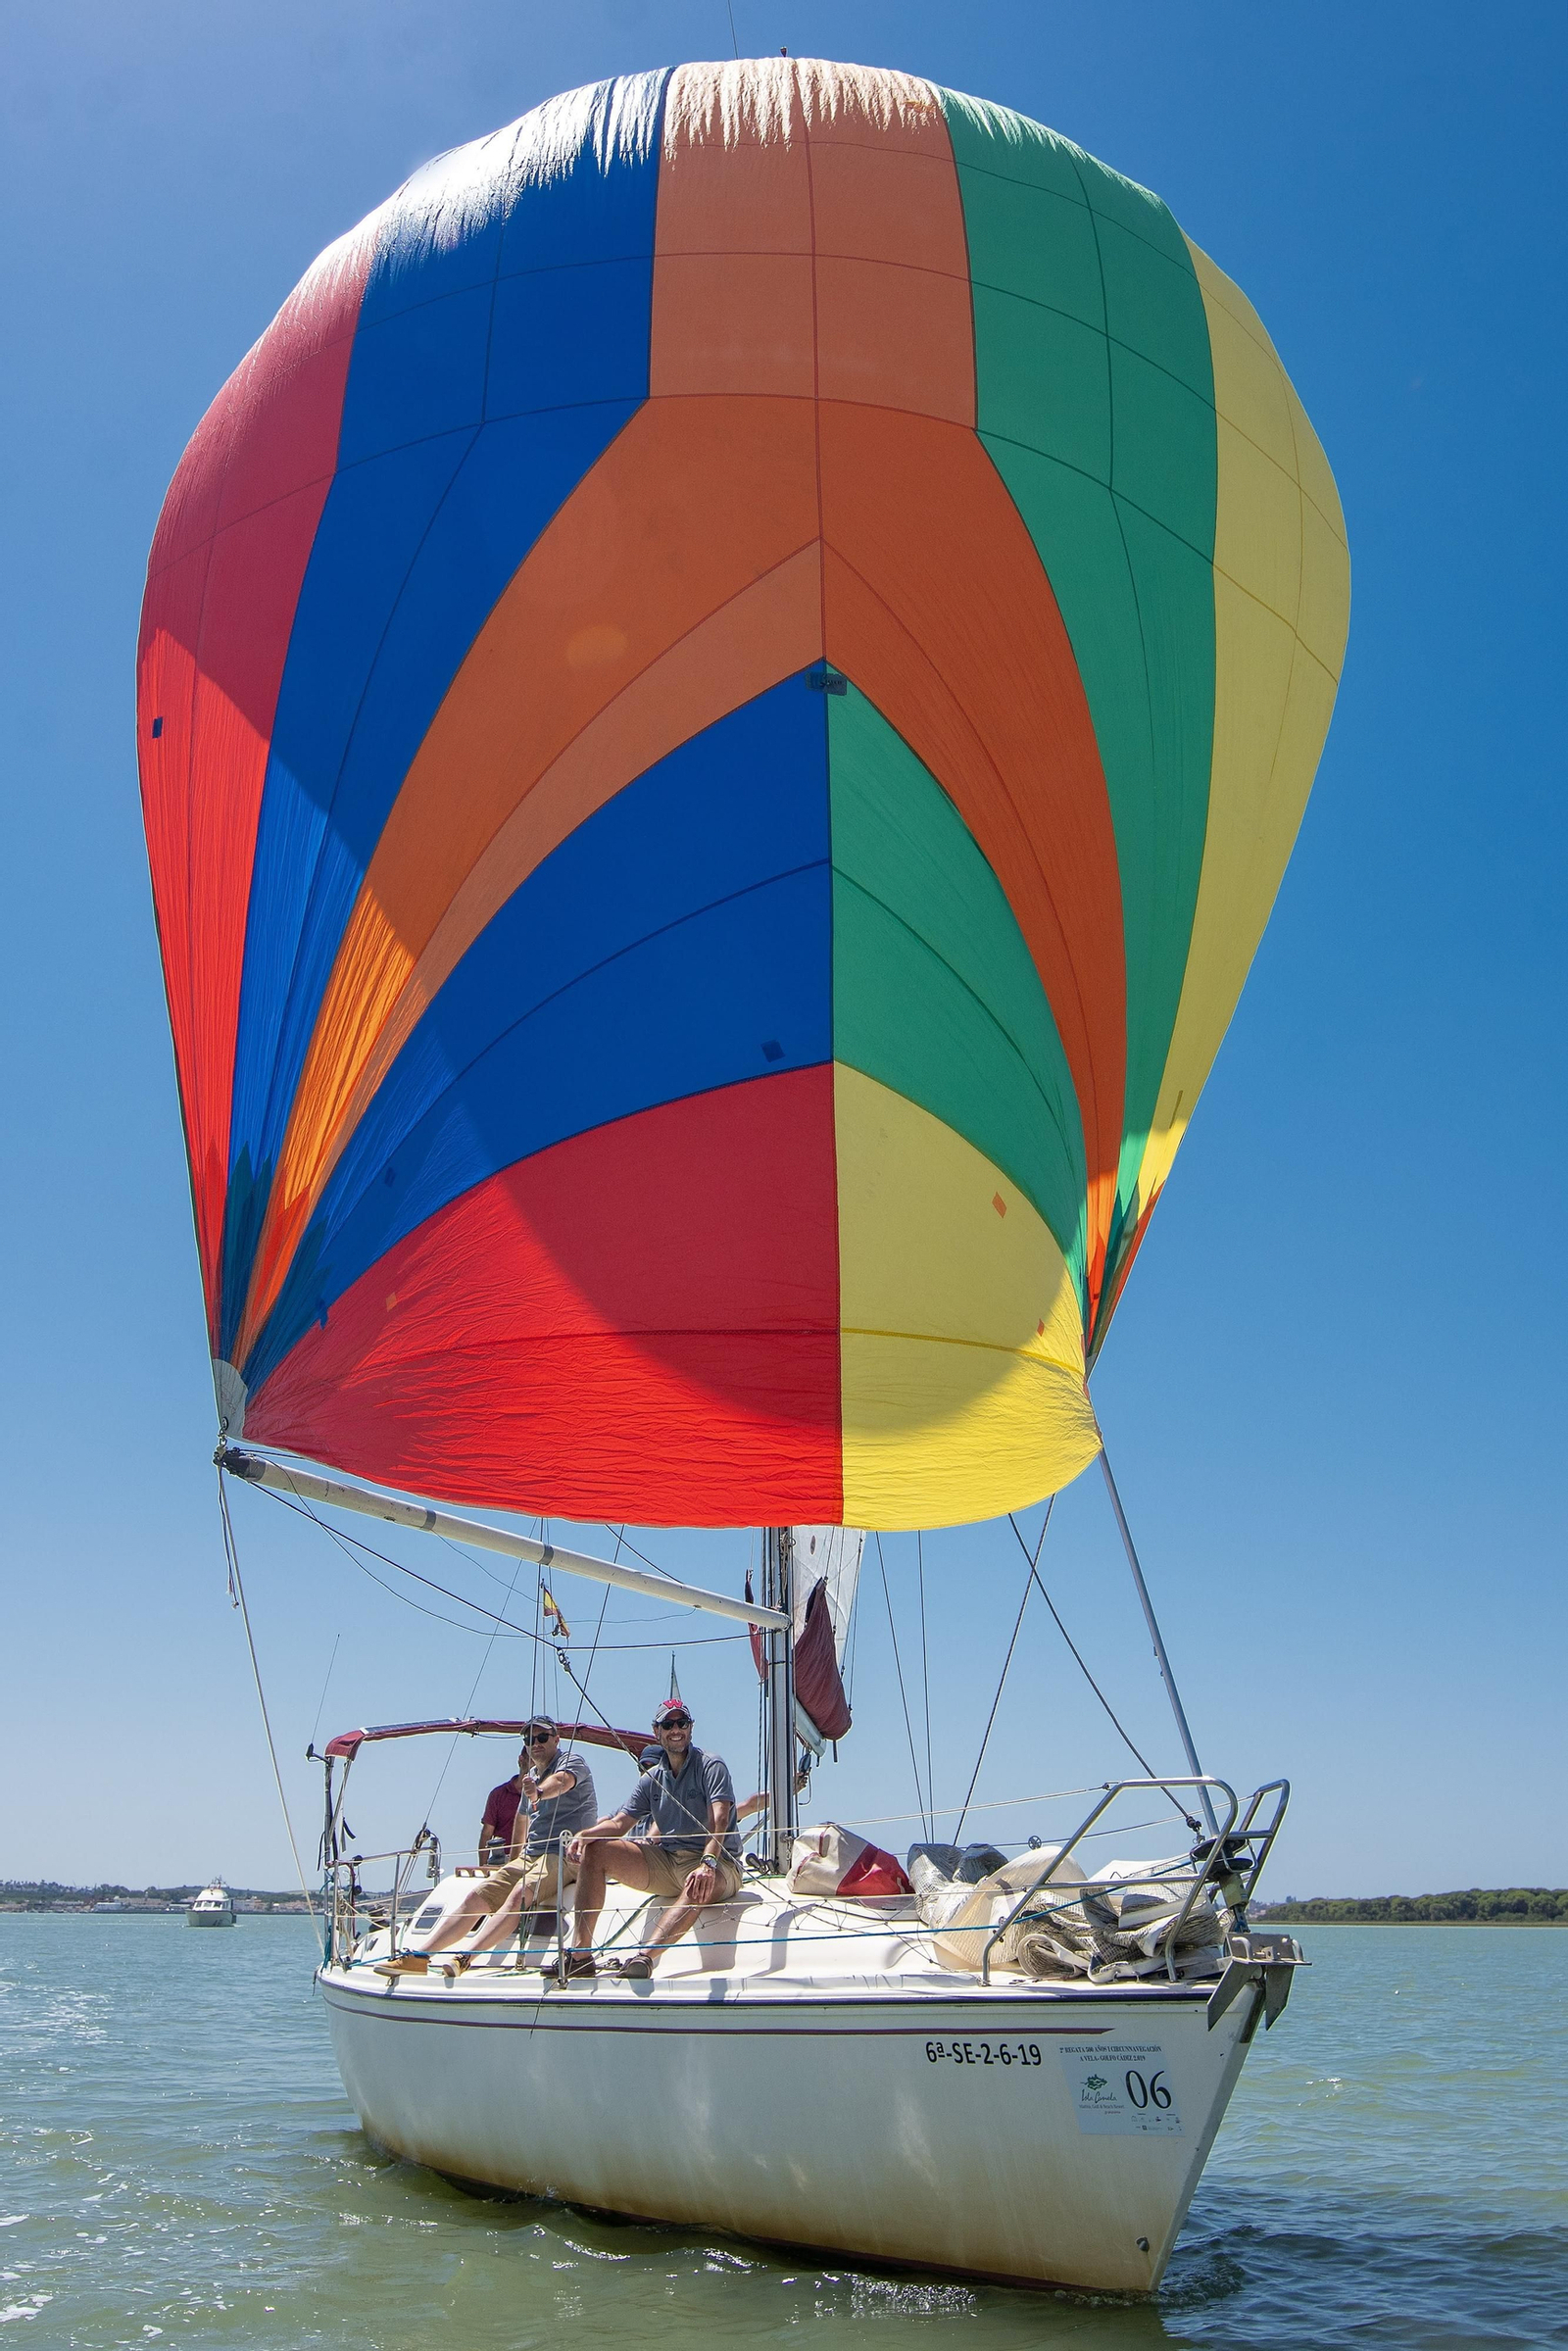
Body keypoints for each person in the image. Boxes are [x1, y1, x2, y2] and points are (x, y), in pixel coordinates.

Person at [376, 1720, 597, 1977]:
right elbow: (522, 1820)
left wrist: (537, 1792)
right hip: (532, 1855)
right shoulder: (532, 1776)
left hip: (565, 1854)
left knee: (518, 1895)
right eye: (529, 1740)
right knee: (476, 1896)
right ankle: (420, 1957)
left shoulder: (571, 1763)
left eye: (542, 1738)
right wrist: (513, 1862)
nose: (535, 1743)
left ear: (556, 1740)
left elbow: (562, 1782)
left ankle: (465, 1958)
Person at [544, 1701, 743, 1982]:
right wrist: (585, 1836)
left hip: (718, 1862)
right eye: (668, 1725)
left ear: (690, 1728)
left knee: (699, 1882)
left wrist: (708, 1863)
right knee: (597, 1851)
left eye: (682, 1723)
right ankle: (580, 1956)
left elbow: (720, 1818)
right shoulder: (652, 1778)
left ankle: (645, 1957)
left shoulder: (711, 1765)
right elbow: (621, 1823)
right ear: (656, 1732)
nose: (676, 1730)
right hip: (670, 1861)